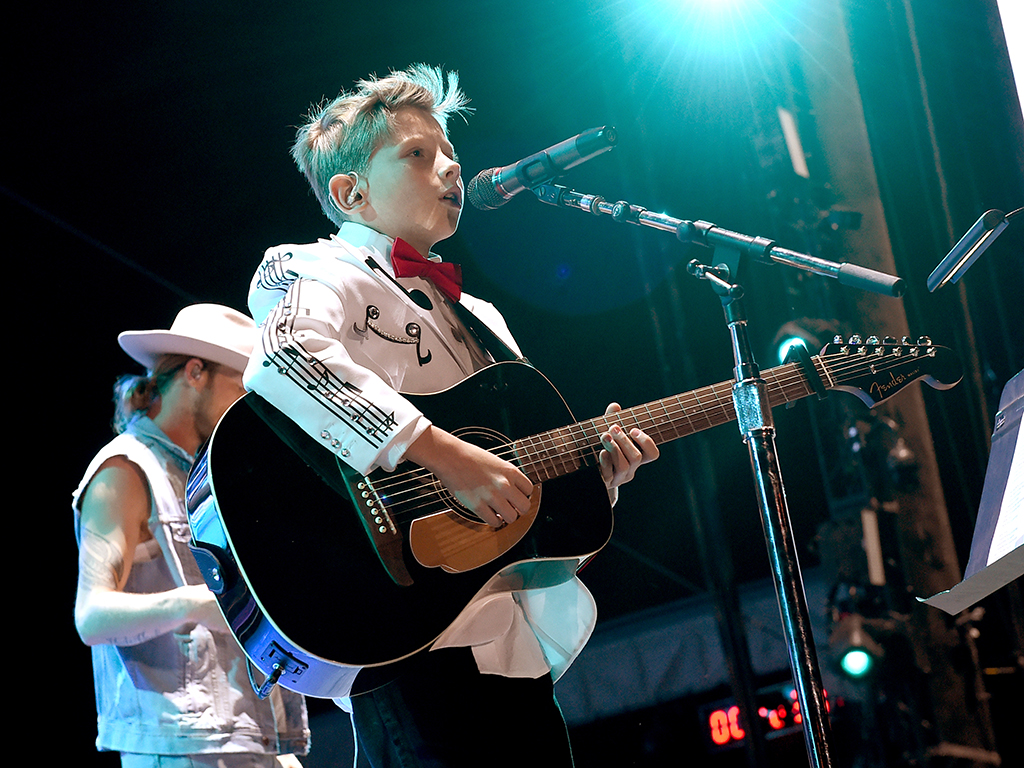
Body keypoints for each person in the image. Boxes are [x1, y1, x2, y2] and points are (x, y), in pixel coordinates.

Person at [243, 65, 659, 766]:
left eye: (452, 158)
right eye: (418, 155)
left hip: (504, 632)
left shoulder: (482, 317)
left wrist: (597, 474)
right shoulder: (312, 268)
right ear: (351, 192)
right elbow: (285, 355)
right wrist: (444, 453)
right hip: (400, 625)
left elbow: (512, 472)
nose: (450, 170)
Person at [73, 304, 310, 768]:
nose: (249, 409)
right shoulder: (124, 468)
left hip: (251, 736)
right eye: (242, 388)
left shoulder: (207, 476)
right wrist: (199, 604)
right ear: (196, 372)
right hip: (183, 744)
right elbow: (91, 617)